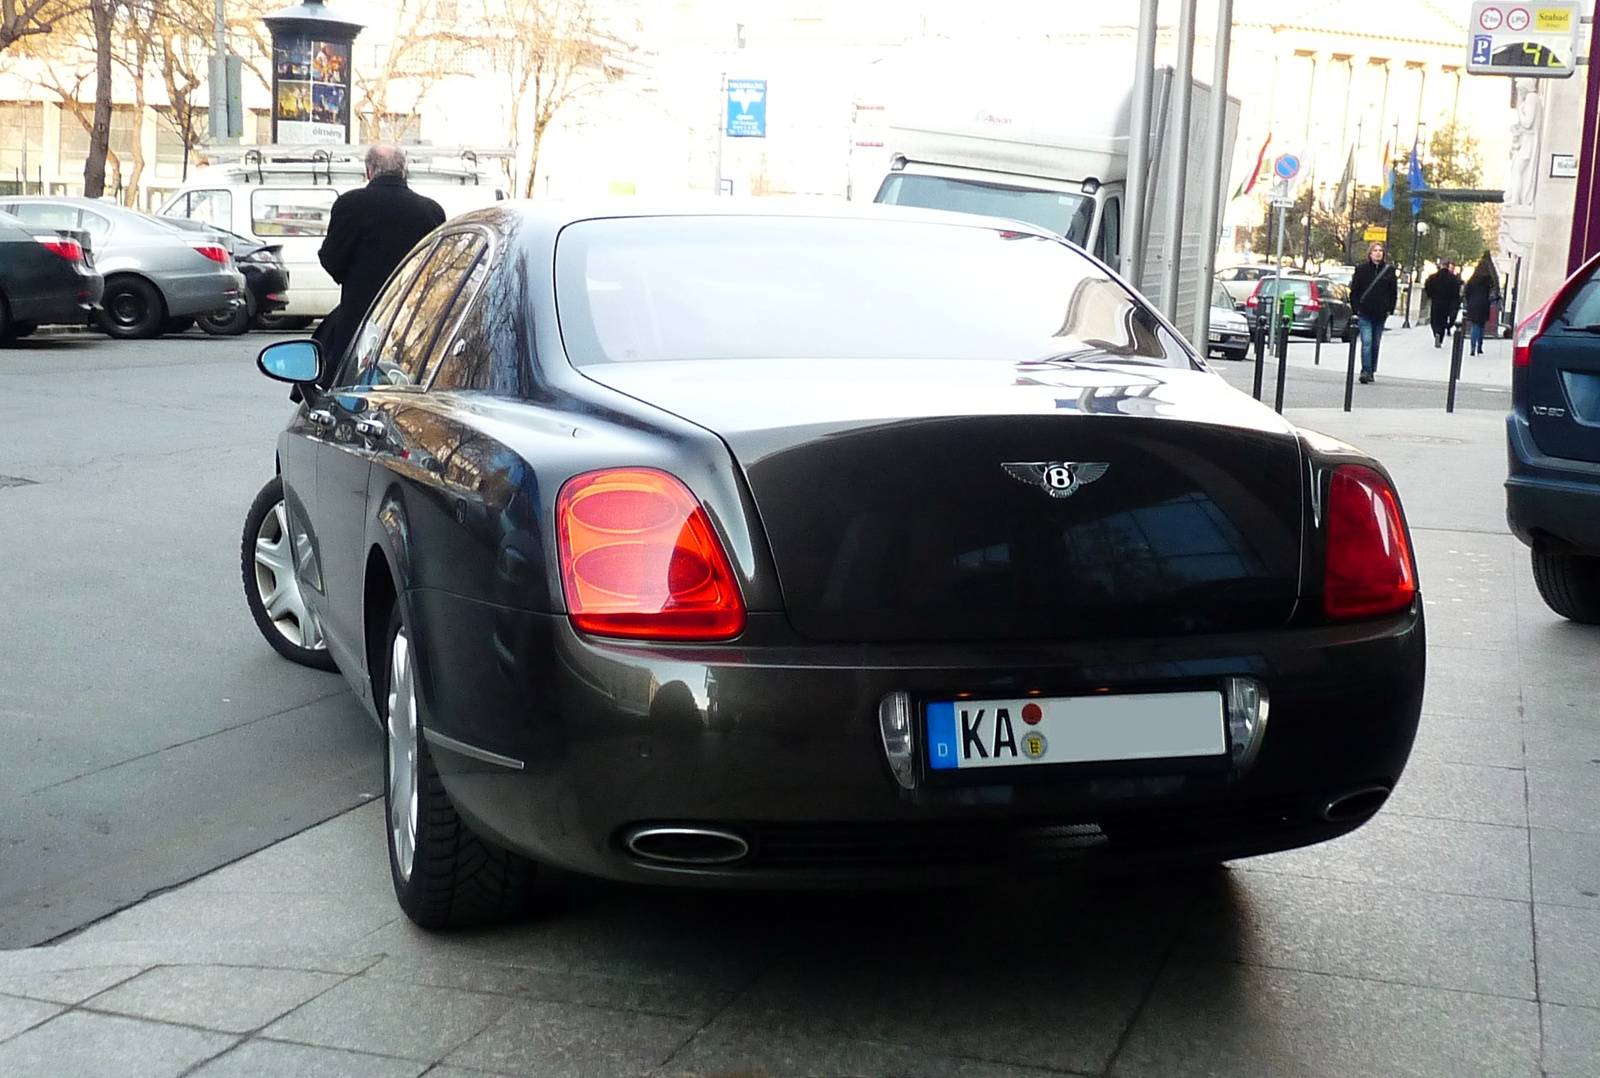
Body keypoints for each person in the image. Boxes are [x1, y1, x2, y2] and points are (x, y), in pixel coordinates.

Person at [314, 143, 446, 369]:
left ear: (368, 171)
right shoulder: (431, 210)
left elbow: (333, 261)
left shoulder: (350, 204)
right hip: (413, 321)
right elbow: (439, 269)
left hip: (361, 319)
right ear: (403, 170)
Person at [1349, 240, 1397, 383]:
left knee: (1375, 343)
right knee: (1367, 341)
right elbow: (1354, 291)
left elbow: (1393, 292)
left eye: (1380, 251)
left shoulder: (1389, 271)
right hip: (1365, 312)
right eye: (1375, 250)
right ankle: (1365, 370)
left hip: (1380, 313)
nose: (1378, 253)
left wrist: (1390, 309)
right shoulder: (1361, 269)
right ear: (1370, 253)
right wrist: (1356, 308)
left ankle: (1372, 369)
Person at [1463, 253, 1502, 356]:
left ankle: (1472, 347)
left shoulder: (1472, 280)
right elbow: (1495, 291)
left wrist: (1468, 301)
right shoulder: (1489, 280)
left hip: (1473, 303)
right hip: (1484, 303)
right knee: (1481, 326)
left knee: (1474, 326)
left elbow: (1466, 292)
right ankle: (1480, 346)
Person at [1423, 260, 1462, 348]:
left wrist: (1431, 295)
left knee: (1435, 320)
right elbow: (1456, 291)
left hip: (1436, 301)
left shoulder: (1433, 277)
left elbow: (1427, 287)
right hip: (1447, 302)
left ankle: (1436, 332)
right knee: (1443, 320)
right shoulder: (1453, 278)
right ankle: (1440, 336)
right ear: (1448, 266)